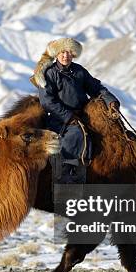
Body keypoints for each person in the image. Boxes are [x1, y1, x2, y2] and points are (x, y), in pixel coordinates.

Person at [30, 37, 120, 184]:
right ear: (57, 54)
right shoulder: (50, 74)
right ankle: (66, 176)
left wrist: (111, 101)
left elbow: (96, 88)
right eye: (62, 52)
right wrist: (68, 116)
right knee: (75, 136)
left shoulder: (79, 71)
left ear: (74, 54)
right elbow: (47, 102)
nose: (66, 56)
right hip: (59, 118)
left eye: (69, 52)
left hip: (82, 115)